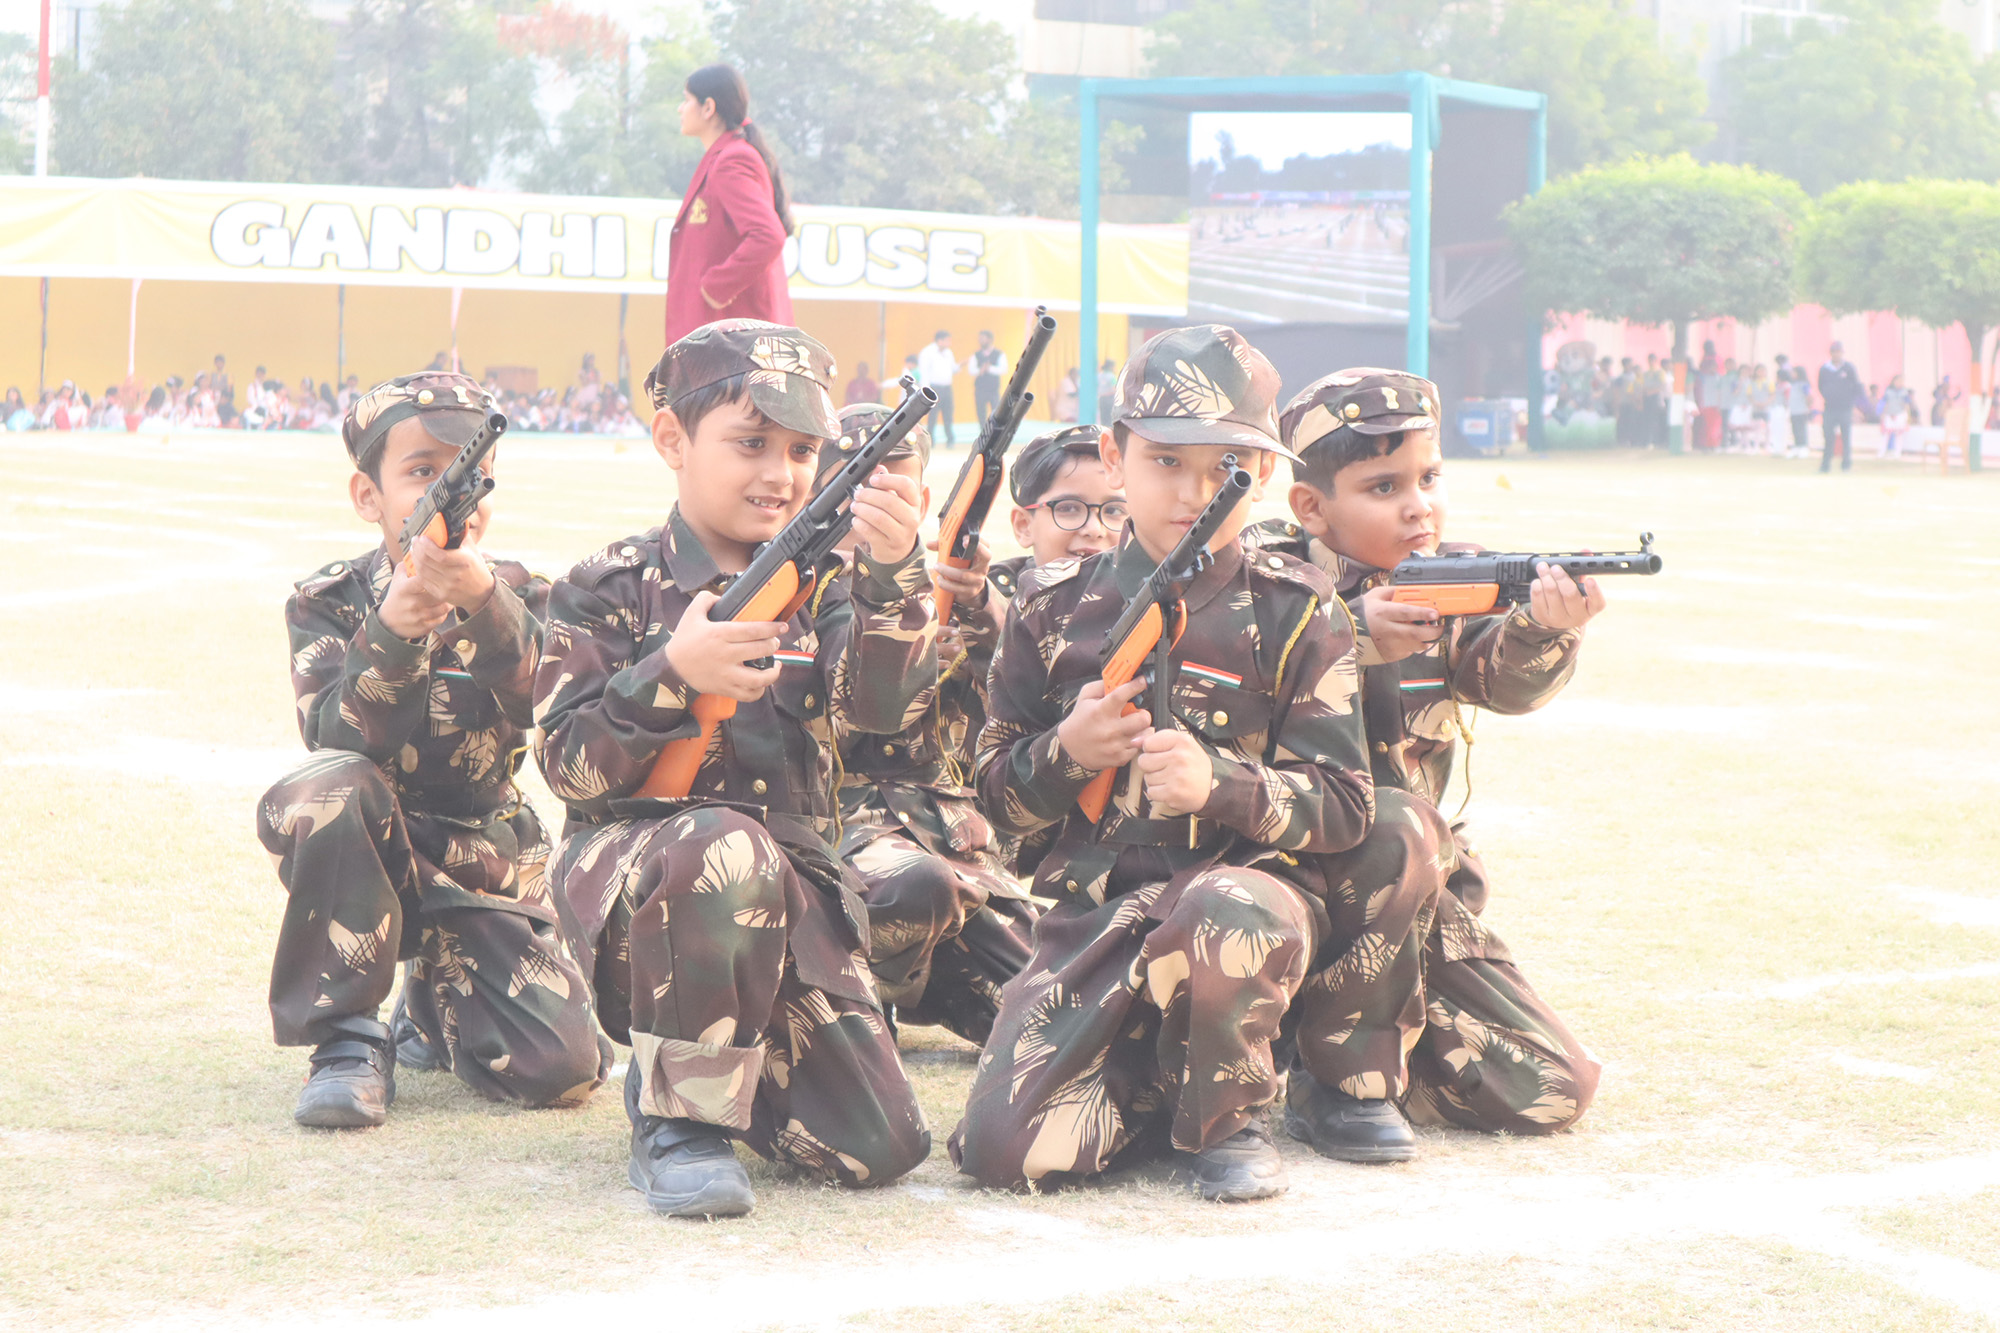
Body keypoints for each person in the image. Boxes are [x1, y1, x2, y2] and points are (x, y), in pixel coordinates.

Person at [950, 326, 1390, 1203]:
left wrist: (1218, 785)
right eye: (1166, 461)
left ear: (1261, 472)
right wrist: (1065, 754)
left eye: (1225, 465)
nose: (1194, 491)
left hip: (1246, 901)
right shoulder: (1046, 608)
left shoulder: (1299, 609)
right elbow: (992, 800)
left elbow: (1346, 803)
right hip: (1098, 916)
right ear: (1116, 458)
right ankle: (1159, 1083)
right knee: (1004, 1153)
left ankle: (1229, 1118)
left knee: (1227, 905)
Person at [534, 319, 933, 1219]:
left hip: (785, 902)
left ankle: (708, 1063)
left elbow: (883, 719)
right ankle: (680, 1121)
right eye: (750, 443)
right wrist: (672, 674)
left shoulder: (834, 587)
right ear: (672, 438)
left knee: (879, 1145)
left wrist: (895, 577)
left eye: (802, 451)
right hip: (638, 898)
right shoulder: (607, 585)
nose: (780, 474)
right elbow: (568, 767)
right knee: (722, 840)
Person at [1250, 367, 1603, 1144]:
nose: (1419, 506)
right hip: (1271, 888)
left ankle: (1336, 1041)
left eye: (1430, 478)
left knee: (1553, 1087)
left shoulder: (1452, 576)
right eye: (1384, 486)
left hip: (1397, 904)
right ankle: (1331, 1080)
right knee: (1395, 823)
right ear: (1310, 506)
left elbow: (1499, 681)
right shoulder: (1261, 577)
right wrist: (1343, 634)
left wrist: (1543, 630)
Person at [254, 371, 605, 1129]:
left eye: (472, 477)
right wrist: (392, 630)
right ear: (367, 495)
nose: (454, 496)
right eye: (422, 472)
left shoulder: (526, 596)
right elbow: (335, 741)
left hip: (485, 857)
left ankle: (433, 1005)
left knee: (562, 1068)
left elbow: (554, 714)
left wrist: (483, 606)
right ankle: (347, 1041)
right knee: (332, 785)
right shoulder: (328, 602)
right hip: (368, 847)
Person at [812, 404, 1038, 1044]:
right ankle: (860, 983)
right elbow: (860, 716)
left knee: (1051, 1011)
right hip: (844, 839)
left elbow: (1025, 703)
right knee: (916, 888)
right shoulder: (798, 587)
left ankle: (920, 980)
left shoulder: (956, 589)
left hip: (954, 846)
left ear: (926, 497)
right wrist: (900, 624)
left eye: (894, 479)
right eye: (855, 482)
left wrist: (980, 604)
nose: (876, 496)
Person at [664, 65, 794, 344]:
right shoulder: (724, 158)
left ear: (708, 108)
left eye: (687, 100)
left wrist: (717, 287)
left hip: (735, 345)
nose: (680, 108)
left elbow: (768, 236)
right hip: (724, 344)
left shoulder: (732, 160)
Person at [1818, 341, 1863, 472]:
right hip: (1830, 408)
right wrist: (1828, 396)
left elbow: (1856, 386)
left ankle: (1846, 466)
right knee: (1828, 437)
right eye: (1834, 352)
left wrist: (1852, 403)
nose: (1836, 354)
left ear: (1842, 353)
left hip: (1845, 408)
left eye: (1838, 352)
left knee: (1846, 437)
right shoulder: (1825, 369)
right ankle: (1825, 466)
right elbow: (1820, 386)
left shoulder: (1848, 368)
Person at [917, 329, 960, 446]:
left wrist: (961, 365)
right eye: (947, 341)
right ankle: (931, 440)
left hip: (947, 387)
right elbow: (924, 372)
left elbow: (953, 369)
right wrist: (925, 391)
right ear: (940, 341)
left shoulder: (948, 353)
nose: (949, 343)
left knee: (948, 414)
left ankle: (950, 439)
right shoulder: (927, 352)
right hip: (934, 388)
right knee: (933, 415)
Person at [970, 331, 1006, 429]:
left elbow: (1003, 369)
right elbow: (971, 371)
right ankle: (983, 431)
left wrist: (989, 368)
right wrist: (980, 370)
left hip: (993, 389)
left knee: (996, 412)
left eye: (982, 338)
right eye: (980, 339)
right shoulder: (976, 355)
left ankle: (995, 431)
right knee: (981, 413)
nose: (980, 341)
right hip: (980, 389)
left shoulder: (999, 354)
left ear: (989, 339)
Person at [1878, 373, 1914, 458]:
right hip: (1889, 414)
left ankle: (1897, 452)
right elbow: (1884, 403)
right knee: (1886, 434)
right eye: (1898, 381)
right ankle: (1882, 452)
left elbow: (1907, 404)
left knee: (1899, 434)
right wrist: (1883, 414)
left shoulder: (1904, 392)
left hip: (1900, 414)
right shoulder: (1888, 391)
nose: (1900, 383)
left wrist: (1908, 416)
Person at [1640, 354, 1669, 448]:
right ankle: (1648, 440)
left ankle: (1657, 441)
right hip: (1647, 398)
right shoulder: (1646, 373)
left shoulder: (1660, 372)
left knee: (1656, 419)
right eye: (1649, 360)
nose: (1651, 362)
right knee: (1647, 419)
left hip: (1656, 398)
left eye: (1652, 360)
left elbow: (1662, 385)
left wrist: (1652, 391)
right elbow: (1643, 386)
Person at [1784, 366, 1813, 456]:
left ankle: (1803, 447)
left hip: (1801, 411)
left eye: (1794, 372)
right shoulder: (1793, 384)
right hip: (1794, 411)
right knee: (1795, 429)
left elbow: (1809, 396)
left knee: (1801, 429)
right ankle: (1797, 446)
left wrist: (1808, 407)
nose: (1792, 374)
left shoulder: (1804, 384)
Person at [1096, 358, 1117, 424]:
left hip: (1101, 399)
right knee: (1110, 419)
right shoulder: (1112, 376)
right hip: (1109, 399)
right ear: (1111, 367)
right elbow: (1114, 390)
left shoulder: (1099, 376)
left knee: (1103, 418)